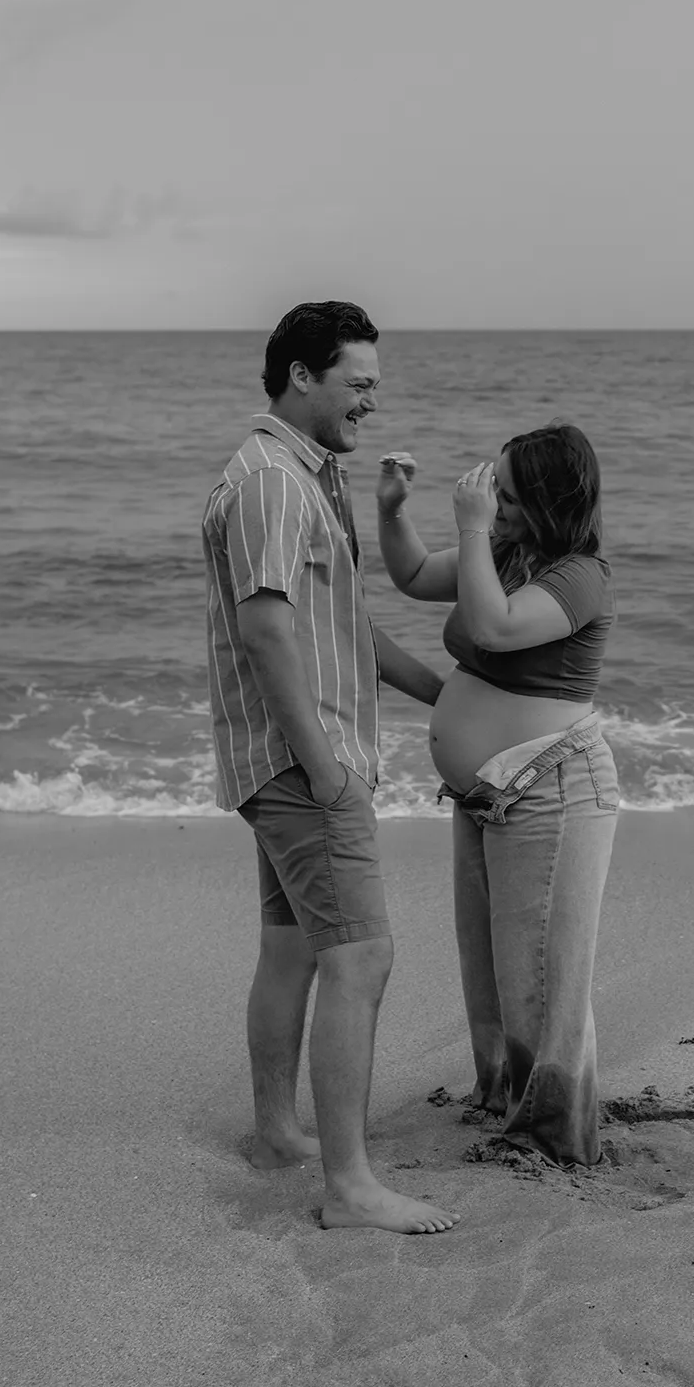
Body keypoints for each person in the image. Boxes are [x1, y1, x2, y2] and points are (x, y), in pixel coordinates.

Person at [203, 300, 457, 1235]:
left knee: (295, 946)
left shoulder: (300, 475)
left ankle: (278, 1133)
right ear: (302, 376)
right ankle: (349, 1187)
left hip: (288, 761)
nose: (370, 405)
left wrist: (444, 695)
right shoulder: (273, 481)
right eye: (358, 384)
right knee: (363, 953)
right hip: (305, 762)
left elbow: (340, 624)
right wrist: (325, 765)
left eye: (375, 387)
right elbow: (267, 629)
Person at [376, 424, 617, 1166]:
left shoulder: (580, 576)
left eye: (509, 496)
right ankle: (508, 1099)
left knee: (541, 970)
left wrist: (474, 527)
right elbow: (415, 576)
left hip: (552, 790)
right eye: (495, 492)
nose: (496, 505)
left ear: (545, 501)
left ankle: (553, 1134)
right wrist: (391, 511)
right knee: (490, 965)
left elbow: (494, 626)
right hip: (489, 796)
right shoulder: (506, 553)